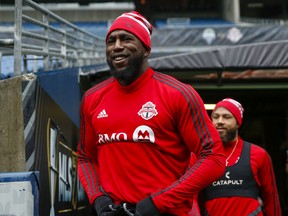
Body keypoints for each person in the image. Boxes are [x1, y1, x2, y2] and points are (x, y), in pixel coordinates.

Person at [77, 11, 225, 216]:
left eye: (126, 38)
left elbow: (214, 157)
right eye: (111, 41)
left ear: (146, 49)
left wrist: (158, 202)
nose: (116, 46)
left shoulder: (178, 94)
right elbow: (85, 157)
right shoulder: (92, 98)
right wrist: (99, 199)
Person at [199, 98, 282, 216]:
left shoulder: (258, 154)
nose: (220, 121)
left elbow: (271, 198)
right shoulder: (202, 156)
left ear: (238, 122)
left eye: (226, 117)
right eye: (216, 117)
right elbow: (193, 199)